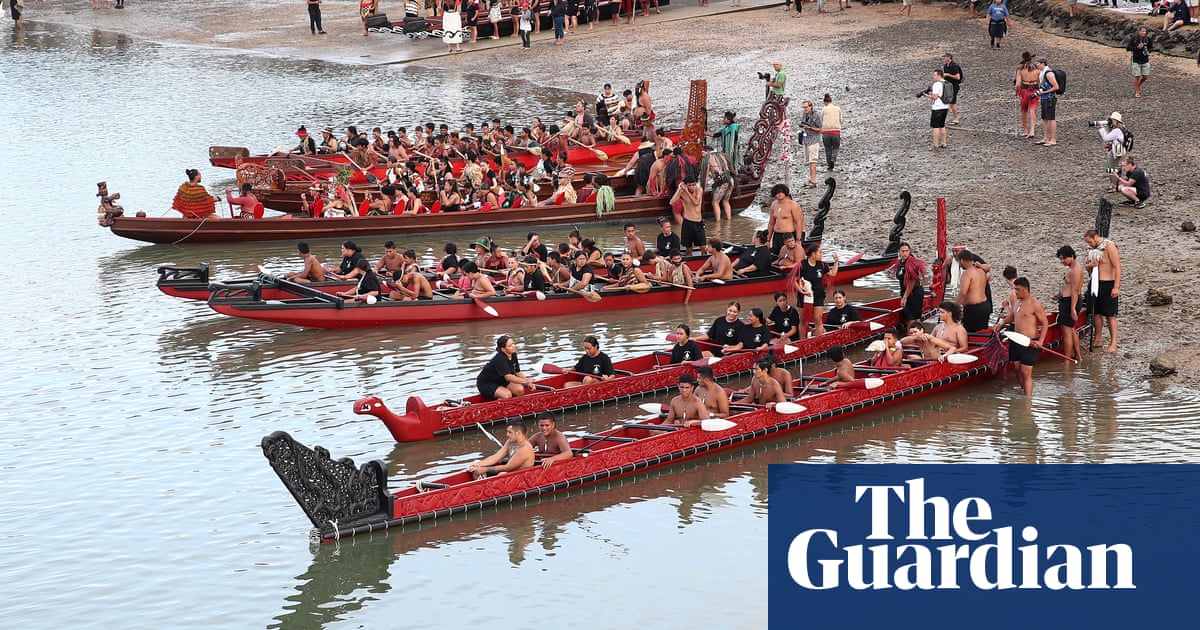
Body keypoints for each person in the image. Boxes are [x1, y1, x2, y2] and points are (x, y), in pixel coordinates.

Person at [991, 278, 1048, 396]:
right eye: (1014, 289)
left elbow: (1045, 323)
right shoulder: (1017, 301)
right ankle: (1024, 392)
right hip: (1015, 339)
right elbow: (1012, 316)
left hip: (1029, 342)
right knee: (1017, 369)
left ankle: (1028, 402)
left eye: (1018, 289)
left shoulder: (1035, 305)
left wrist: (1041, 341)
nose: (1015, 292)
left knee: (1025, 372)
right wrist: (1001, 323)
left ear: (1026, 289)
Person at [1084, 229, 1121, 353]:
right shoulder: (1092, 250)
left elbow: (1117, 267)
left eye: (1090, 242)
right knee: (1096, 312)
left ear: (1095, 237)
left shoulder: (1109, 246)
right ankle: (1098, 339)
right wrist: (1091, 265)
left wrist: (1116, 287)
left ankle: (1113, 343)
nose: (1089, 244)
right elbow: (1086, 266)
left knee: (1110, 314)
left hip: (1108, 283)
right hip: (1095, 283)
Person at [466, 419, 535, 479]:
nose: (507, 435)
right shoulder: (510, 442)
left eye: (510, 432)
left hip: (521, 477)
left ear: (518, 433)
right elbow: (496, 457)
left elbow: (508, 467)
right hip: (509, 474)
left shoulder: (525, 448)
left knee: (502, 475)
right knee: (476, 472)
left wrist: (485, 469)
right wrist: (478, 464)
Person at [796, 244, 839, 338]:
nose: (821, 255)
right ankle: (802, 341)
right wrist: (802, 291)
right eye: (820, 253)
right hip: (804, 295)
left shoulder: (822, 265)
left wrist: (836, 262)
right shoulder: (802, 265)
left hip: (818, 295)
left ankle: (819, 340)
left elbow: (832, 273)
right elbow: (794, 281)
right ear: (813, 254)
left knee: (817, 319)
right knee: (803, 319)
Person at [1052, 245, 1084, 362]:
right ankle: (1078, 356)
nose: (1062, 261)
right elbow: (1069, 287)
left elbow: (1075, 290)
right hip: (1068, 300)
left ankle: (1066, 360)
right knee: (1071, 330)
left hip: (1070, 302)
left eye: (1063, 259)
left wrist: (1072, 309)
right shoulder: (1074, 267)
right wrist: (1059, 294)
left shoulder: (1075, 270)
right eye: (1060, 259)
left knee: (1066, 332)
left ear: (1071, 256)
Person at [477, 335, 532, 399]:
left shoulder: (513, 354)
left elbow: (517, 372)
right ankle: (499, 405)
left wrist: (526, 380)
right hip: (487, 383)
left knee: (519, 390)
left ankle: (515, 406)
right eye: (510, 346)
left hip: (501, 380)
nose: (513, 346)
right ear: (503, 349)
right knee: (506, 395)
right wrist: (525, 382)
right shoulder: (500, 359)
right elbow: (508, 377)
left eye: (513, 344)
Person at [955, 249, 991, 332]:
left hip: (975, 309)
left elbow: (963, 293)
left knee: (969, 333)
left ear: (962, 260)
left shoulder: (967, 273)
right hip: (985, 305)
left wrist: (955, 307)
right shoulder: (981, 271)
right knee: (982, 332)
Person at [671, 175, 706, 256]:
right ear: (686, 185)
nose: (692, 187)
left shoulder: (699, 190)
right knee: (689, 249)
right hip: (688, 223)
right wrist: (679, 189)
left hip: (698, 222)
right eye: (689, 185)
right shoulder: (682, 192)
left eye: (693, 185)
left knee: (703, 247)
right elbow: (672, 202)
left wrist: (686, 191)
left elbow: (696, 203)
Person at [766, 184, 805, 256]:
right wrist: (768, 240)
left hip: (789, 234)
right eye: (777, 192)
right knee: (775, 255)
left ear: (785, 192)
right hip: (777, 235)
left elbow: (798, 222)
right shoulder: (774, 205)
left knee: (788, 256)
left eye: (781, 192)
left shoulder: (793, 204)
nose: (779, 194)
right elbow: (771, 223)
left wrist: (798, 239)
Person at [892, 243, 927, 322]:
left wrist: (905, 297)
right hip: (906, 291)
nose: (904, 253)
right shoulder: (900, 262)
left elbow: (911, 282)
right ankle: (918, 332)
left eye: (906, 251)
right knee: (913, 317)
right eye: (902, 251)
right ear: (899, 252)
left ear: (909, 251)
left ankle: (914, 332)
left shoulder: (911, 263)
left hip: (914, 293)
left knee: (911, 318)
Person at [1097, 112, 1128, 192]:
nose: (1111, 121)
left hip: (1116, 151)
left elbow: (1106, 138)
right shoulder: (1120, 128)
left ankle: (1114, 185)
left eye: (1113, 120)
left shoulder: (1117, 130)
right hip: (1118, 150)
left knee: (1111, 168)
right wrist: (1107, 127)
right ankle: (1115, 183)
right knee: (1113, 167)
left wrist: (1101, 128)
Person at [1033, 57, 1061, 146]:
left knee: (1051, 118)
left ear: (1042, 63)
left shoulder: (1048, 73)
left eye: (1037, 63)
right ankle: (1045, 138)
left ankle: (1053, 139)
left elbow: (1056, 87)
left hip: (1050, 98)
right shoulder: (1042, 73)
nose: (1036, 65)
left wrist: (1044, 92)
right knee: (1045, 118)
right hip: (1044, 98)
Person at [1014, 51, 1041, 139]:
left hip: (1024, 90)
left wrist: (1016, 91)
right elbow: (1040, 81)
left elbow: (1018, 84)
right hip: (1034, 90)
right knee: (1032, 110)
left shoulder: (1020, 69)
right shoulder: (1037, 69)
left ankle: (1025, 130)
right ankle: (1032, 130)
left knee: (1024, 110)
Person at [797, 100, 822, 189]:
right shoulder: (805, 114)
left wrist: (810, 127)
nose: (805, 109)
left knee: (813, 161)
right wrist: (803, 126)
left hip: (814, 140)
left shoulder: (817, 115)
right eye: (803, 107)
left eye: (806, 107)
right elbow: (803, 123)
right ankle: (811, 179)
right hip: (806, 139)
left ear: (811, 106)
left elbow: (821, 129)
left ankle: (813, 181)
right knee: (808, 161)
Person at [924, 69, 950, 150]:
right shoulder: (947, 83)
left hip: (937, 107)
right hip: (945, 106)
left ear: (939, 75)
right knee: (942, 125)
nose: (933, 76)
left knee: (935, 127)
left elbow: (935, 97)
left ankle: (936, 145)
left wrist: (928, 96)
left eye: (935, 75)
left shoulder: (936, 85)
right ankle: (944, 143)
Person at [1126, 26, 1153, 98]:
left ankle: (1138, 85)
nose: (1144, 33)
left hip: (1145, 59)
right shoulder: (1134, 39)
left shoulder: (1147, 39)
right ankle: (1137, 92)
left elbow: (1151, 47)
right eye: (1143, 31)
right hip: (1136, 60)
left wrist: (1147, 51)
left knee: (1145, 76)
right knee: (1137, 76)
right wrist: (1137, 48)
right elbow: (1128, 48)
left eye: (1145, 31)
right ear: (1139, 31)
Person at [819, 94, 842, 171]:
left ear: (825, 102)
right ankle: (833, 159)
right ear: (831, 101)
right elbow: (841, 120)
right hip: (836, 132)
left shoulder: (823, 109)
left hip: (826, 133)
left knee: (827, 148)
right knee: (836, 147)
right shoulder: (838, 108)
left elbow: (820, 120)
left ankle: (829, 165)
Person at [942, 53, 963, 126]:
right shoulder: (945, 66)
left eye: (945, 57)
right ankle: (953, 118)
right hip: (948, 86)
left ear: (949, 57)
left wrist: (947, 75)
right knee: (949, 102)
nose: (944, 58)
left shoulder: (954, 66)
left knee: (952, 103)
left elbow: (958, 77)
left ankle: (956, 119)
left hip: (954, 86)